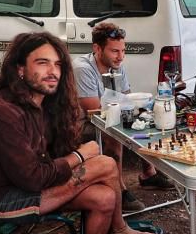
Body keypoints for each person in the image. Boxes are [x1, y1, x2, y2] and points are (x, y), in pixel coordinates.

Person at [0, 32, 159, 234]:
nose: (53, 71)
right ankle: (120, 231)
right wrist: (80, 156)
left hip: (32, 184)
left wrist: (75, 155)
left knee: (105, 197)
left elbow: (49, 158)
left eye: (58, 64)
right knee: (104, 163)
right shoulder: (0, 112)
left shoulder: (42, 103)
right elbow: (33, 178)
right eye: (42, 63)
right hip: (6, 199)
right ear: (20, 69)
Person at [73, 22, 173, 211]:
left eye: (123, 51)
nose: (121, 57)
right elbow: (94, 111)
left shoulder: (116, 66)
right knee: (113, 132)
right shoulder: (83, 68)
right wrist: (127, 106)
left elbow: (128, 99)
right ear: (97, 48)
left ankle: (148, 174)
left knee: (145, 119)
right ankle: (119, 189)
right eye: (114, 51)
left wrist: (142, 110)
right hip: (79, 124)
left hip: (105, 115)